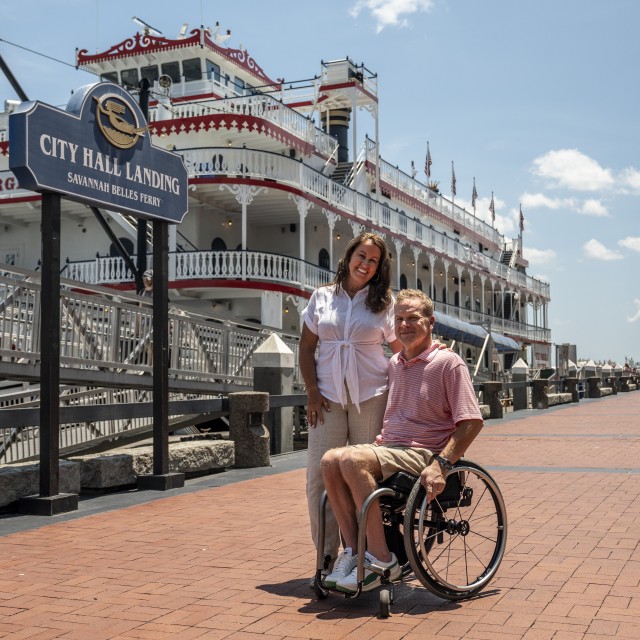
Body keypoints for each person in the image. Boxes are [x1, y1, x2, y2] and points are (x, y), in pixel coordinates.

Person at [320, 289, 484, 594]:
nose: (404, 325)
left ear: (431, 322)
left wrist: (442, 464)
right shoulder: (395, 363)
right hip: (391, 448)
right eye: (399, 319)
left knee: (352, 461)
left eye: (413, 318)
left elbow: (471, 422)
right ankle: (355, 554)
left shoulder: (449, 363)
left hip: (425, 452)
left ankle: (383, 559)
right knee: (330, 459)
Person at [299, 232, 403, 574]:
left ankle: (363, 553)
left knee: (363, 477)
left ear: (379, 268)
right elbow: (306, 348)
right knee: (319, 476)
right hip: (327, 399)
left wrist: (432, 362)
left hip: (371, 397)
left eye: (373, 261)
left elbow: (401, 350)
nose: (366, 264)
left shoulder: (384, 303)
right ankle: (327, 559)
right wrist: (312, 392)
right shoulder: (322, 297)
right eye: (362, 256)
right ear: (349, 256)